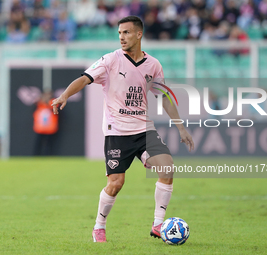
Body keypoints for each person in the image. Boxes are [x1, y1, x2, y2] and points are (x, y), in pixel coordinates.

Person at [51, 16, 194, 243]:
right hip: (117, 132)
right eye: (119, 33)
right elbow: (84, 79)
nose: (121, 37)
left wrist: (181, 127)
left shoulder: (153, 65)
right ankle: (99, 226)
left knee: (166, 168)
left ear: (139, 34)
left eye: (126, 32)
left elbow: (164, 98)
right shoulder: (110, 61)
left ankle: (158, 225)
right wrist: (64, 95)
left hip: (144, 130)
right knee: (116, 184)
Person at [33, 91, 58, 155]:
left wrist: (47, 102)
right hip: (40, 128)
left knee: (49, 144)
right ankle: (37, 156)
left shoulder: (53, 103)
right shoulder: (39, 104)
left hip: (50, 128)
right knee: (38, 143)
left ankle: (49, 156)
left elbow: (56, 109)